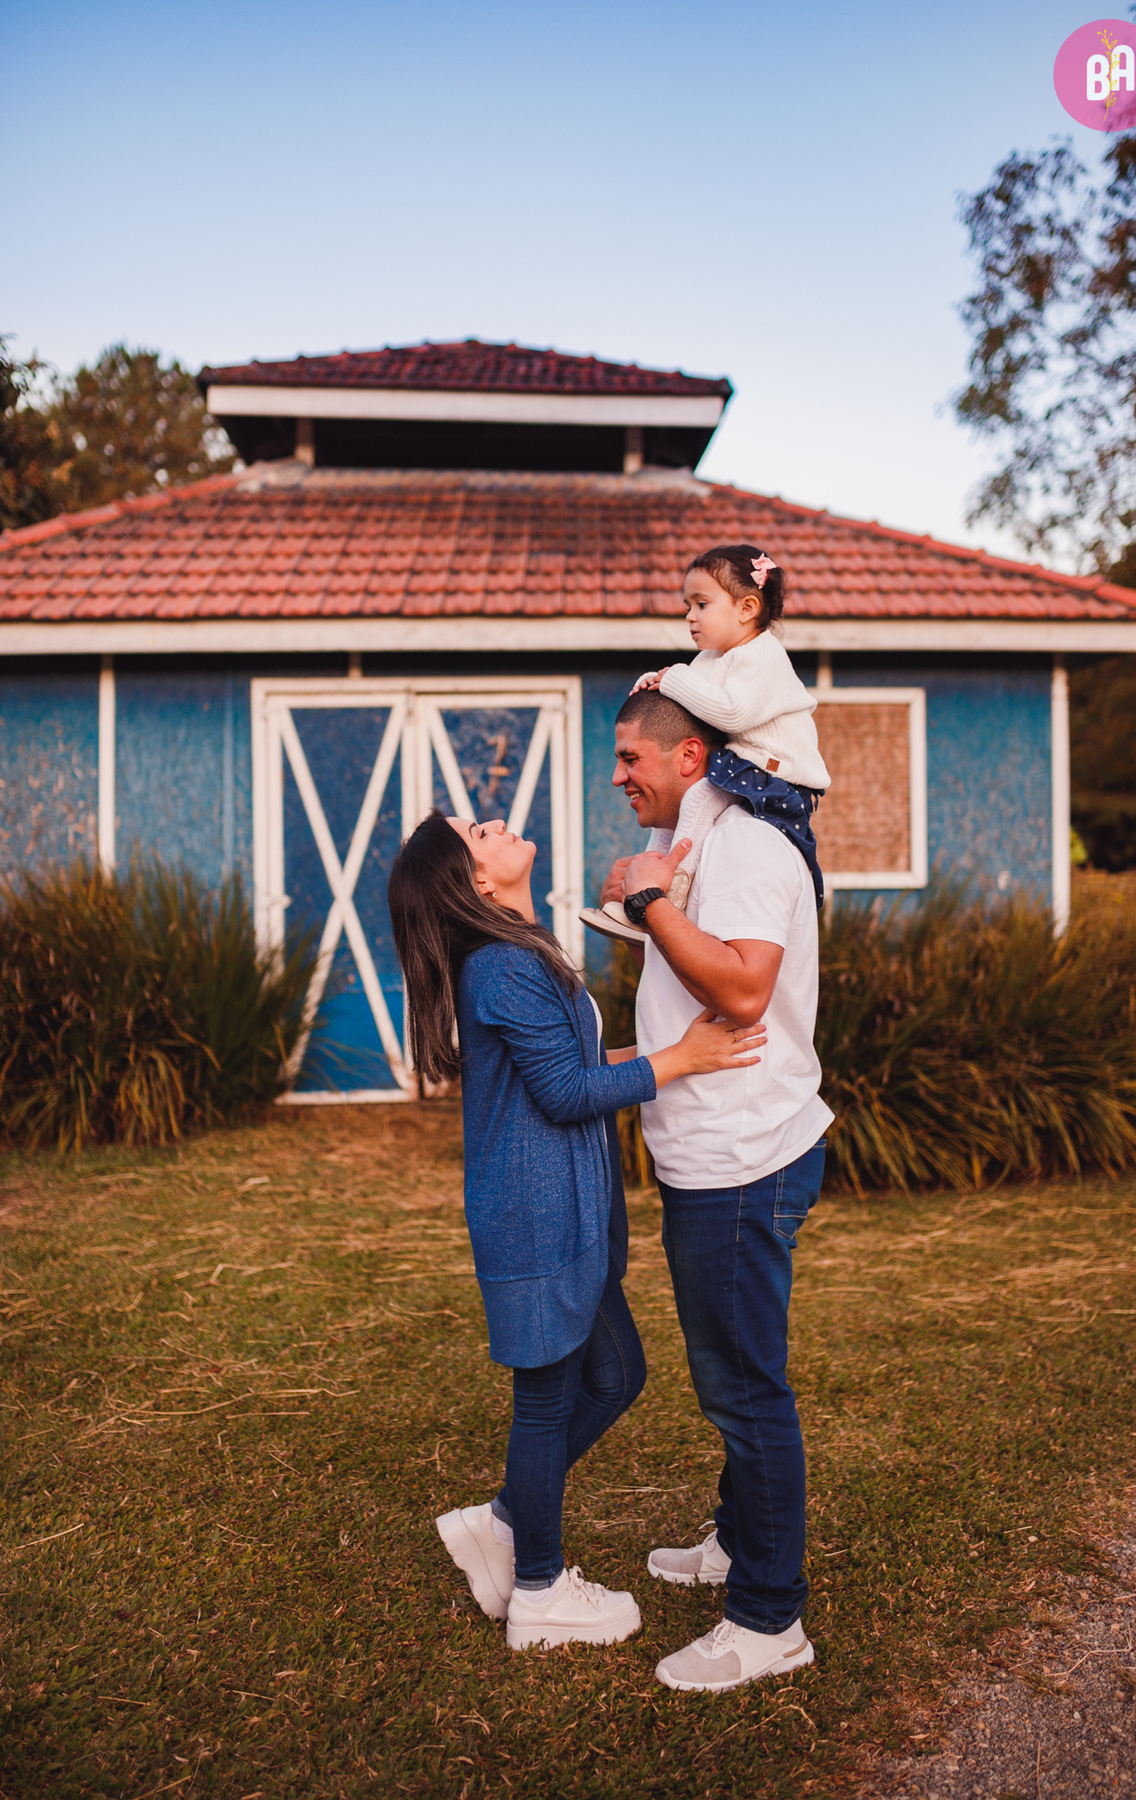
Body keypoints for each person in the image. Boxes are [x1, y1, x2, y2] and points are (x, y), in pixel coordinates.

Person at [387, 809, 765, 1653]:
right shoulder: (503, 966)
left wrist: (671, 1052)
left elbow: (571, 1071)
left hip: (562, 1213)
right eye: (477, 833)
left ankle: (503, 1522)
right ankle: (540, 1590)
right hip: (536, 1218)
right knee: (548, 1400)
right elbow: (566, 1096)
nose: (494, 823)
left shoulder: (519, 955)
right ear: (477, 880)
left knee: (616, 1373)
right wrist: (683, 1061)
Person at [601, 686, 834, 1693]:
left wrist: (651, 904)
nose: (619, 776)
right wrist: (647, 898)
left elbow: (742, 987)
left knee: (745, 1391)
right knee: (734, 1374)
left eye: (631, 757)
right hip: (715, 1152)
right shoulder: (702, 841)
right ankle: (739, 1544)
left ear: (690, 756)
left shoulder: (745, 847)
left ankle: (769, 1619)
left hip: (743, 1161)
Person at [586, 544, 829, 951]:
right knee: (672, 814)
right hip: (742, 765)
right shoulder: (710, 659)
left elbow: (731, 714)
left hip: (777, 774)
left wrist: (673, 679)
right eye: (688, 606)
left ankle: (670, 897)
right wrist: (656, 682)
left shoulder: (763, 655)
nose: (690, 616)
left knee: (697, 798)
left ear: (747, 608)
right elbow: (687, 705)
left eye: (701, 604)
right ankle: (643, 897)